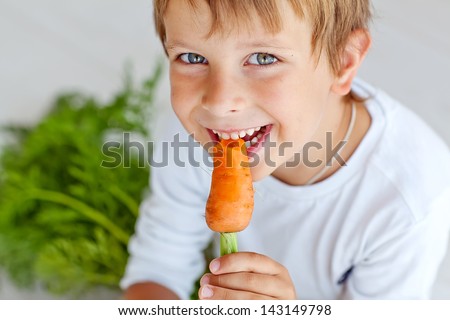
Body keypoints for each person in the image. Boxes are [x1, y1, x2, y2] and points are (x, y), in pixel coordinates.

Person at [120, 0, 450, 299]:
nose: (218, 103)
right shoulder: (194, 131)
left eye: (263, 58)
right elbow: (156, 269)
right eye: (193, 57)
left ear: (343, 62)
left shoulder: (409, 203)